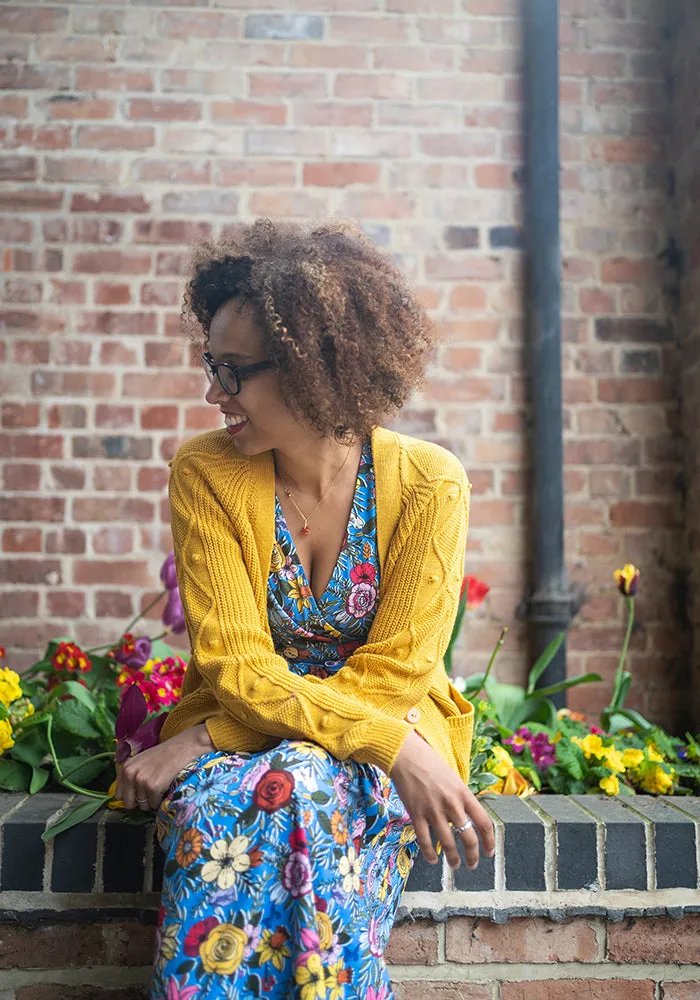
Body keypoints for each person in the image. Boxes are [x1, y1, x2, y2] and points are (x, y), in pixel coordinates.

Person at [114, 219, 495, 1000]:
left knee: (305, 784)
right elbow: (234, 666)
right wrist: (391, 745)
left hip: (375, 726)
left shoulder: (430, 483)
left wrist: (207, 739)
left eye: (234, 370)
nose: (213, 391)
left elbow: (395, 674)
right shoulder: (207, 473)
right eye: (209, 363)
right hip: (367, 736)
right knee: (232, 804)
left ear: (317, 369)